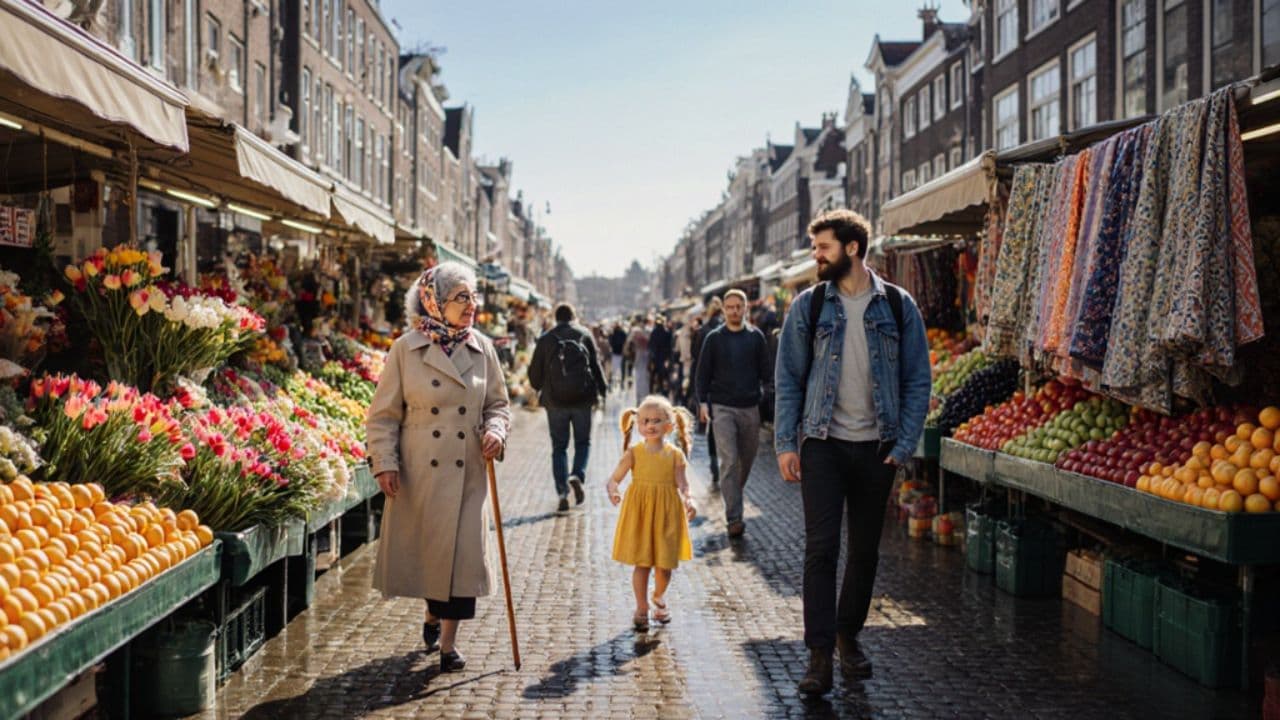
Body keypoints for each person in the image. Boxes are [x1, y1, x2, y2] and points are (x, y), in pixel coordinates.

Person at [774, 209, 930, 695]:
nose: (816, 257)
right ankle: (819, 655)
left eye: (823, 248)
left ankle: (848, 634)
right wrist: (786, 443)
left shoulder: (898, 306)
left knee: (864, 552)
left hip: (877, 449)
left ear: (853, 248)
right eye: (815, 249)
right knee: (820, 550)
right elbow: (788, 379)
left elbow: (917, 380)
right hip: (823, 444)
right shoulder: (809, 306)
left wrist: (903, 445)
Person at [366, 262, 512, 674]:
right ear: (434, 302)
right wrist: (385, 463)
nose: (472, 305)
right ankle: (432, 612)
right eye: (461, 297)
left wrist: (496, 431)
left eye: (473, 296)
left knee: (462, 557)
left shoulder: (483, 349)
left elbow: (498, 404)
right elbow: (383, 416)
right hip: (420, 472)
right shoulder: (405, 349)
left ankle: (449, 646)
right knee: (433, 556)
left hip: (468, 473)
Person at [606, 395, 697, 632]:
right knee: (642, 564)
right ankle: (641, 607)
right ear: (638, 424)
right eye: (645, 421)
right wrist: (613, 490)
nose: (650, 425)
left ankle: (658, 595)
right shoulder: (634, 452)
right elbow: (614, 479)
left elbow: (683, 484)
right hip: (641, 515)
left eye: (657, 420)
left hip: (667, 515)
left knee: (665, 566)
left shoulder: (675, 455)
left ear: (669, 425)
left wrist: (689, 499)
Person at [694, 289, 772, 539]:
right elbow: (702, 374)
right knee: (729, 460)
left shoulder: (756, 337)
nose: (735, 311)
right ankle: (734, 517)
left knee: (746, 460)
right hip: (722, 407)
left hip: (750, 407)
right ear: (724, 310)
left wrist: (764, 395)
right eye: (730, 307)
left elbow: (767, 372)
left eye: (739, 306)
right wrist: (702, 403)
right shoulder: (714, 339)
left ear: (746, 308)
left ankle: (732, 494)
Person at [529, 303, 608, 513]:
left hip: (555, 402)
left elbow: (534, 374)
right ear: (573, 317)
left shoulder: (546, 339)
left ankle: (563, 492)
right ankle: (577, 475)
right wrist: (603, 390)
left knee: (559, 447)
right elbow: (595, 364)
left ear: (556, 318)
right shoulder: (584, 334)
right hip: (582, 400)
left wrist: (540, 387)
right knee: (583, 442)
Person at [692, 298, 724, 484]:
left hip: (709, 385)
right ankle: (724, 461)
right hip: (724, 384)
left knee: (712, 425)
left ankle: (714, 461)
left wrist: (698, 392)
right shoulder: (726, 330)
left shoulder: (703, 331)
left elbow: (696, 359)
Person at [628, 317, 652, 404]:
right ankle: (644, 399)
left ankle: (640, 400)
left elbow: (629, 342)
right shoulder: (648, 331)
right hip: (645, 356)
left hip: (640, 356)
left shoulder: (635, 331)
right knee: (644, 379)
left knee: (640, 379)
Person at [648, 317, 672, 396]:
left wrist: (651, 358)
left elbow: (651, 346)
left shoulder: (653, 332)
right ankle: (662, 391)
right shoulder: (667, 332)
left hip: (655, 358)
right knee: (662, 375)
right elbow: (669, 347)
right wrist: (668, 358)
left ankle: (652, 392)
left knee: (653, 376)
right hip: (662, 358)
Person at [609, 323, 628, 391]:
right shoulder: (618, 333)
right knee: (617, 370)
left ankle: (619, 383)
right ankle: (616, 383)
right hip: (617, 354)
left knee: (617, 370)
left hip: (618, 354)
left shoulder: (616, 333)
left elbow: (625, 343)